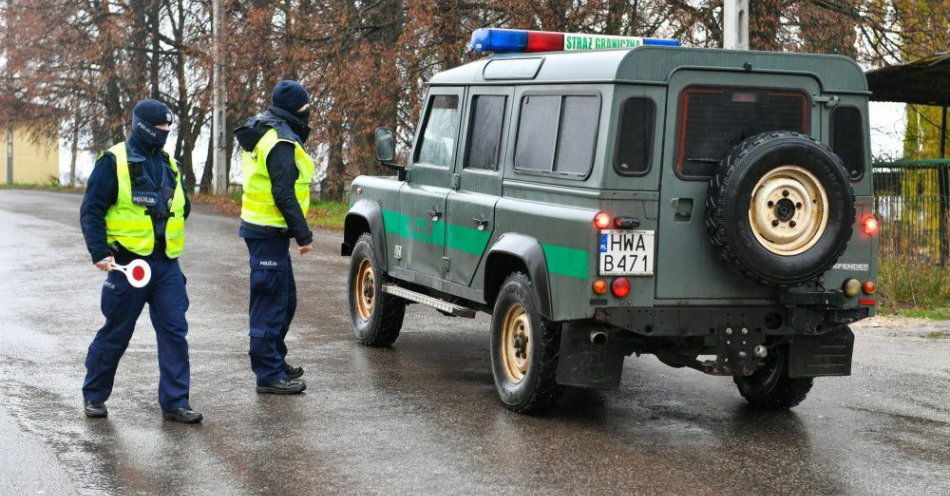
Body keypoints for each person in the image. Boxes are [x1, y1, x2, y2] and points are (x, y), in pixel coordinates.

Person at [79, 99, 202, 423]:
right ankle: (94, 395)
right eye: (160, 129)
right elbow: (92, 210)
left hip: (166, 264)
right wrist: (99, 251)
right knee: (117, 331)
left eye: (168, 129)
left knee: (175, 331)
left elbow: (183, 206)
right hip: (127, 265)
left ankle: (176, 402)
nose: (165, 133)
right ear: (143, 127)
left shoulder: (169, 164)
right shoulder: (113, 161)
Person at [234, 80, 315, 394]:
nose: (309, 115)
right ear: (296, 110)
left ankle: (275, 360)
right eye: (305, 109)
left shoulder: (264, 128)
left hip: (266, 230)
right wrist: (303, 235)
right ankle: (267, 374)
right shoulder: (280, 140)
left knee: (285, 300)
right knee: (270, 303)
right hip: (267, 231)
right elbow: (283, 192)